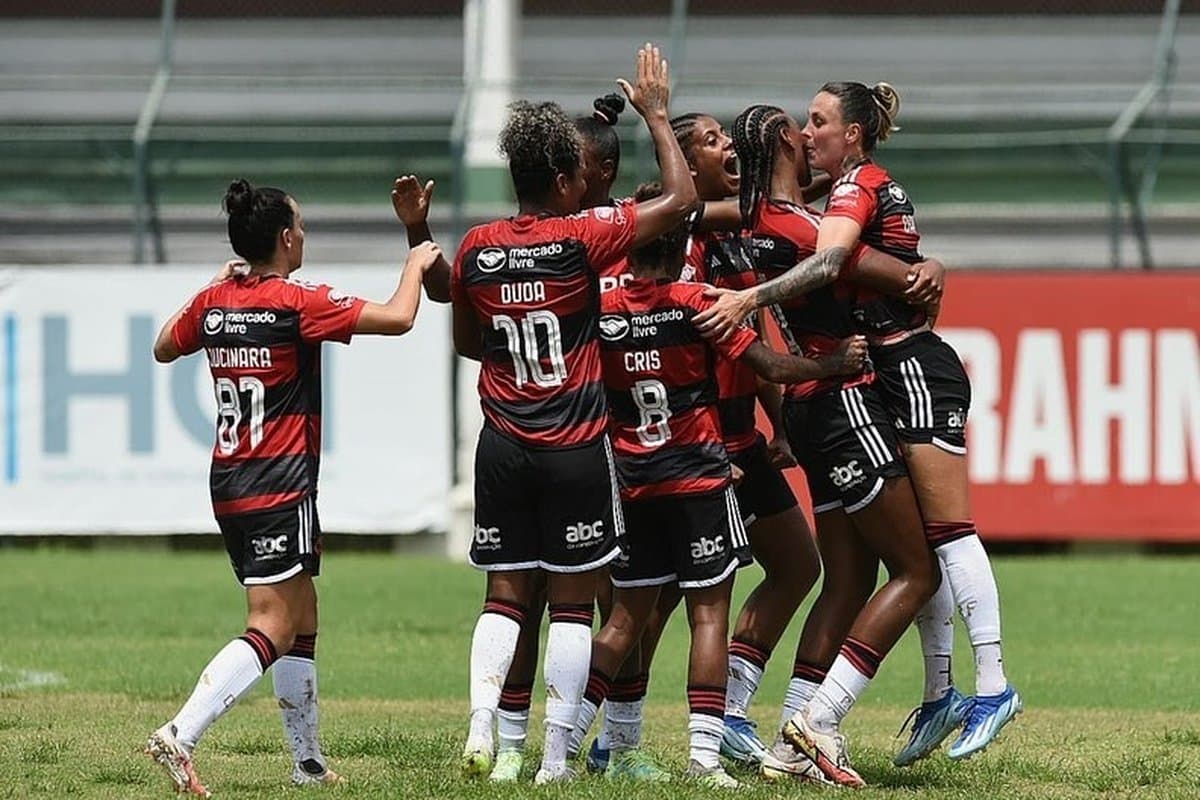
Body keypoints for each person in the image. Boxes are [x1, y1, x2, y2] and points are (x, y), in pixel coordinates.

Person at [700, 82, 1021, 770]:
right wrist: (919, 270)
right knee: (916, 566)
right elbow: (854, 261)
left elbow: (715, 212)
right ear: (788, 143)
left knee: (844, 579)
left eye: (822, 119)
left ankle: (787, 738)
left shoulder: (748, 219)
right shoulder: (801, 226)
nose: (810, 130)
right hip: (846, 399)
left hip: (813, 410)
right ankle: (825, 717)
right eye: (803, 123)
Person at [145, 179, 441, 797]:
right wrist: (415, 260)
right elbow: (401, 316)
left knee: (302, 614)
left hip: (230, 480)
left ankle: (306, 763)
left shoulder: (216, 300)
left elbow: (163, 345)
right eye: (300, 226)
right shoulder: (295, 300)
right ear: (284, 238)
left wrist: (215, 285)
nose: (304, 234)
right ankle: (180, 733)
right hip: (279, 483)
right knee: (273, 624)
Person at [453, 43, 698, 786]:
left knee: (503, 596)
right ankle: (555, 760)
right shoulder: (581, 237)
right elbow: (682, 201)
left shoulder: (475, 246)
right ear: (562, 180)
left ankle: (486, 735)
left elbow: (471, 343)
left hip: (501, 446)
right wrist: (658, 115)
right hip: (574, 446)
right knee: (568, 607)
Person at [587, 181, 867, 788]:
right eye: (714, 141)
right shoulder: (695, 287)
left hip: (651, 467)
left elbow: (757, 358)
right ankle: (662, 746)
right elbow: (763, 359)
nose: (729, 153)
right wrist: (831, 365)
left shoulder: (606, 303)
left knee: (643, 611)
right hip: (706, 463)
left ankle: (566, 736)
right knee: (691, 611)